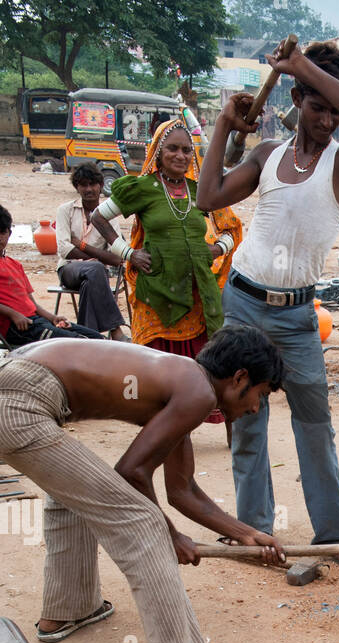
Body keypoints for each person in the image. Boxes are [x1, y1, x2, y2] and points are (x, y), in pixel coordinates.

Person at [0, 327, 285, 643]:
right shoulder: (197, 393)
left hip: (13, 383)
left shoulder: (185, 383)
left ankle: (69, 610)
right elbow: (132, 472)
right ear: (240, 378)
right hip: (18, 402)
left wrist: (246, 533)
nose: (254, 408)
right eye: (260, 395)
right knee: (142, 523)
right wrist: (170, 535)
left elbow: (181, 490)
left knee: (76, 496)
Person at [196, 39, 339, 543]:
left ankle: (334, 533)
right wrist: (221, 124)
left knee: (314, 424)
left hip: (297, 317)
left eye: (335, 111)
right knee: (246, 419)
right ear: (297, 99)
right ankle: (252, 529)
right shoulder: (266, 155)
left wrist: (299, 65)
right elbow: (207, 196)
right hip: (242, 302)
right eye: (318, 107)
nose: (327, 121)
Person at [90, 119, 242, 426]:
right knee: (156, 364)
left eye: (187, 150)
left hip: (198, 292)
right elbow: (98, 217)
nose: (180, 156)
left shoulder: (202, 191)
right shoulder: (141, 188)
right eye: (172, 148)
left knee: (207, 361)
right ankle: (161, 423)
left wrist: (217, 249)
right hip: (156, 292)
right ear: (157, 152)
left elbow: (231, 228)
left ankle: (203, 418)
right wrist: (129, 254)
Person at [0, 206, 103, 346]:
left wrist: (52, 317)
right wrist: (14, 314)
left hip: (36, 320)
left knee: (97, 339)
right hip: (17, 326)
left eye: (2, 232)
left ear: (9, 233)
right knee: (81, 344)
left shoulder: (15, 265)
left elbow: (32, 304)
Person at [55, 164, 127, 340]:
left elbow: (117, 258)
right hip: (68, 270)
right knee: (96, 267)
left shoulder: (108, 216)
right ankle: (116, 330)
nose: (88, 189)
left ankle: (86, 336)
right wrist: (98, 256)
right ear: (77, 187)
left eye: (92, 184)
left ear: (100, 185)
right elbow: (64, 249)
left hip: (95, 277)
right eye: (83, 185)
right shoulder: (65, 210)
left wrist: (81, 246)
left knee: (91, 279)